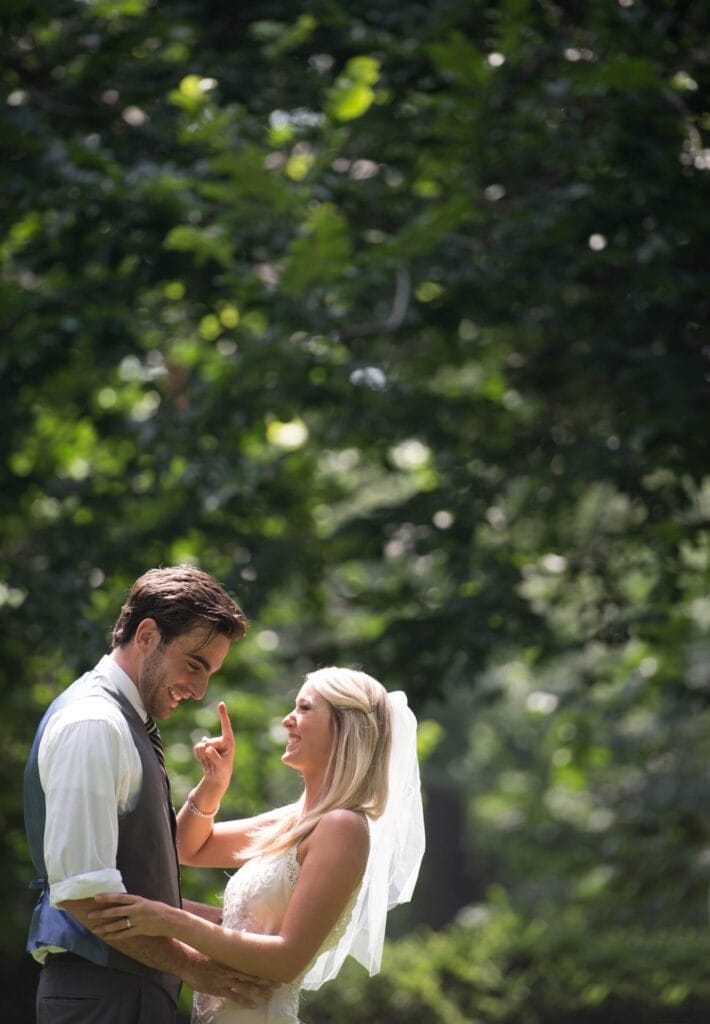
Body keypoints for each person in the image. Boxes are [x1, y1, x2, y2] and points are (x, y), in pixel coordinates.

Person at [88, 666, 426, 1024]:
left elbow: (286, 960)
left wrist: (173, 921)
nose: (287, 720)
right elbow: (187, 848)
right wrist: (213, 785)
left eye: (304, 709)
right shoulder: (295, 820)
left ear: (345, 727)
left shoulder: (342, 827)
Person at [24, 564, 272, 1024]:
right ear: (147, 635)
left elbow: (137, 890)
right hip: (101, 997)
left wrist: (236, 930)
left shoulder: (123, 722)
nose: (199, 690)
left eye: (210, 673)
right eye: (194, 664)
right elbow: (84, 894)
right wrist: (199, 969)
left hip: (119, 995)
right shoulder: (95, 724)